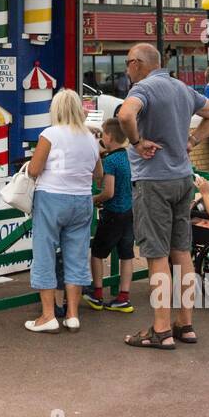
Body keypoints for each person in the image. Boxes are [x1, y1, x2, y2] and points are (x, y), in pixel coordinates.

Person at [115, 43, 209, 350]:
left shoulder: (144, 89)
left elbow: (125, 115)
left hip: (153, 182)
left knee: (157, 257)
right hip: (182, 179)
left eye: (127, 63)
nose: (126, 69)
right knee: (182, 253)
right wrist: (192, 139)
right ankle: (185, 324)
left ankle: (161, 329)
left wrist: (136, 142)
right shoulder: (182, 88)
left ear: (138, 63)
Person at [24, 88, 102, 334]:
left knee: (45, 253)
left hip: (52, 198)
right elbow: (98, 174)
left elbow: (34, 170)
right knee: (77, 256)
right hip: (82, 201)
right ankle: (73, 315)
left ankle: (48, 316)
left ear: (55, 109)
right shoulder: (90, 137)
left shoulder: (50, 134)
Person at [85, 118, 135, 313]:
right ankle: (123, 296)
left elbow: (109, 192)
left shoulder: (111, 161)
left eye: (104, 134)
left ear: (110, 136)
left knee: (97, 253)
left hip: (113, 212)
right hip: (128, 211)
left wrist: (93, 198)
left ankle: (97, 293)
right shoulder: (127, 156)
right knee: (127, 255)